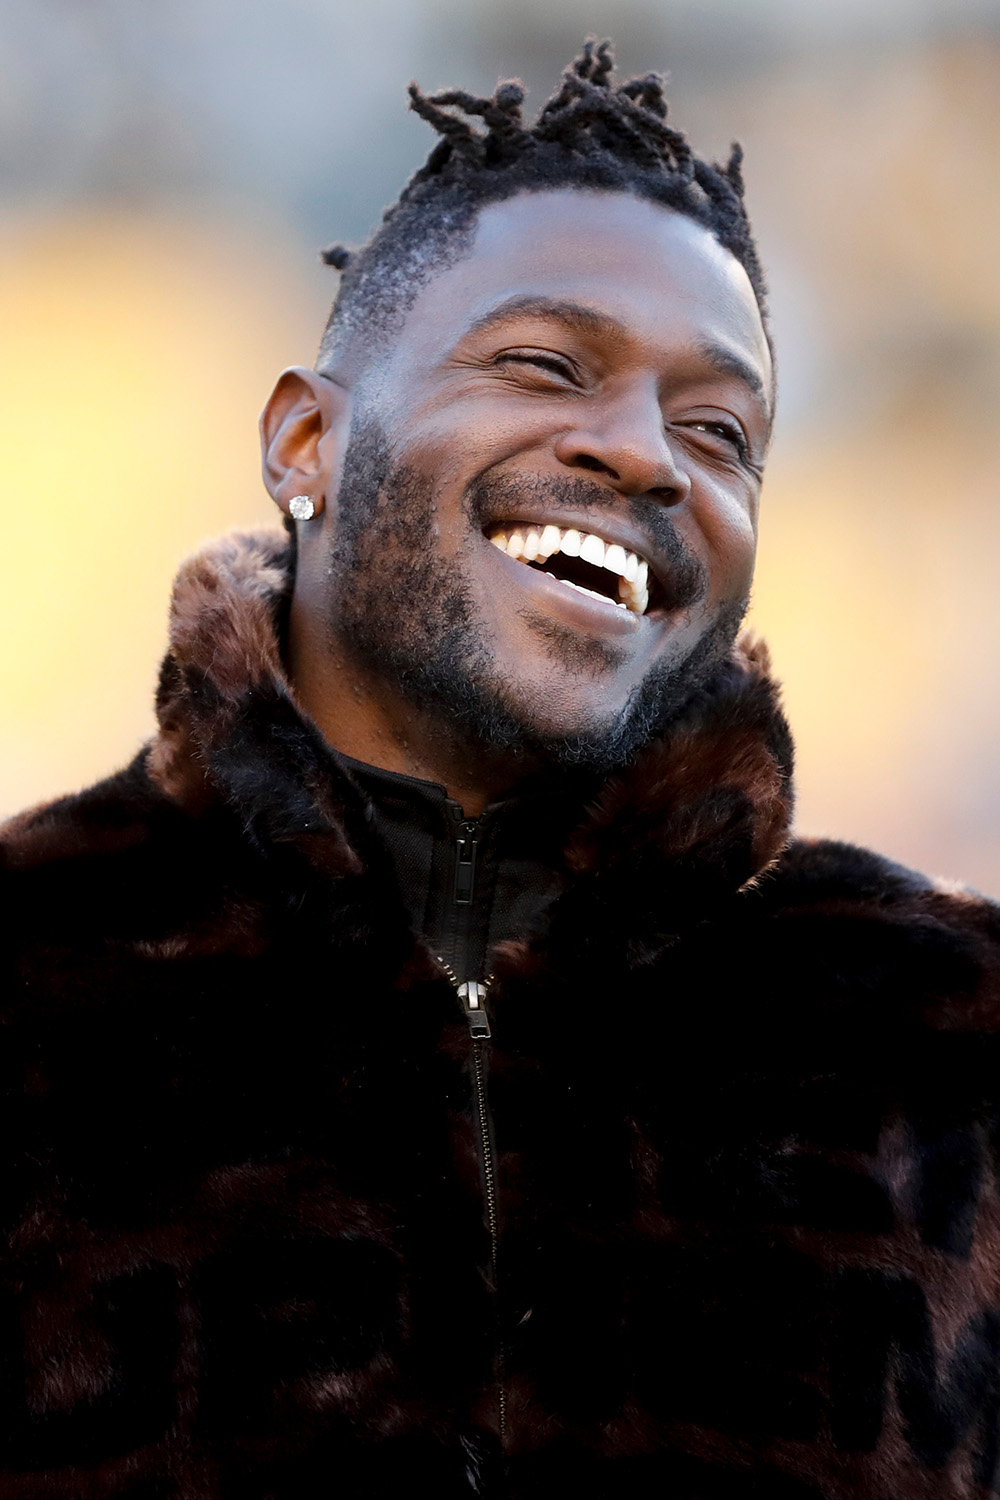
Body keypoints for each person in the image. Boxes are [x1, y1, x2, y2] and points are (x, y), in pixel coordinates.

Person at [2, 37, 999, 1500]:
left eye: (718, 431)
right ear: (304, 441)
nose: (645, 456)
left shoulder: (948, 1035)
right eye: (545, 364)